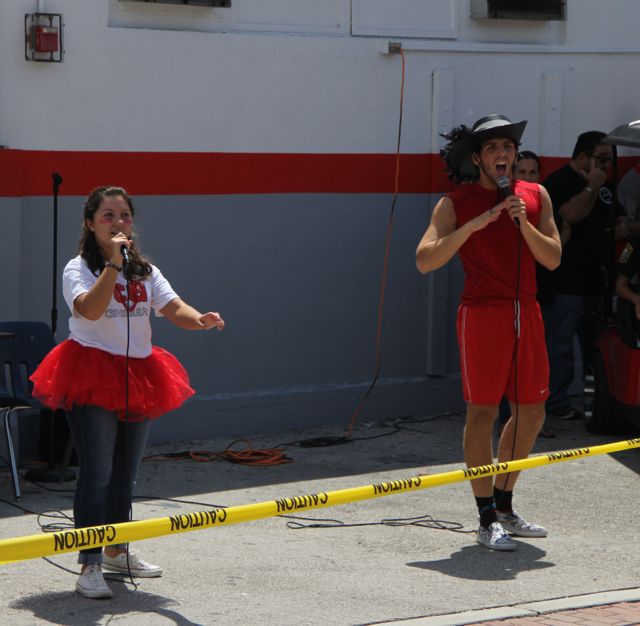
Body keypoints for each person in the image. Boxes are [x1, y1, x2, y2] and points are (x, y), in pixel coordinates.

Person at [30, 186, 225, 599]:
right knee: (97, 473)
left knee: (126, 473)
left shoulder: (146, 271)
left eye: (124, 215)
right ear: (90, 223)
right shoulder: (78, 268)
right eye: (107, 216)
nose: (118, 223)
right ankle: (89, 564)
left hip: (138, 372)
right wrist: (114, 266)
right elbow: (91, 310)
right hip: (90, 370)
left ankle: (118, 550)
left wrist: (201, 319)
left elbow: (175, 309)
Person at [416, 114, 561, 551]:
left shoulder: (535, 195)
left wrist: (522, 223)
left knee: (532, 411)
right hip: (483, 314)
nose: (504, 154)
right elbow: (425, 259)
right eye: (494, 148)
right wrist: (474, 225)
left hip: (527, 310)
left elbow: (553, 259)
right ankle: (484, 519)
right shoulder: (454, 202)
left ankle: (504, 504)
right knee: (482, 414)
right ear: (477, 157)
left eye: (509, 147)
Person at [540, 132, 629, 420]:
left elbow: (617, 224)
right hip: (566, 282)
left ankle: (598, 400)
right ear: (581, 157)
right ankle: (555, 402)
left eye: (608, 160)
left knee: (596, 345)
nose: (606, 166)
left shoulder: (605, 185)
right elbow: (570, 215)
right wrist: (591, 188)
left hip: (598, 282)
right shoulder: (559, 182)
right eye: (601, 159)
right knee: (560, 345)